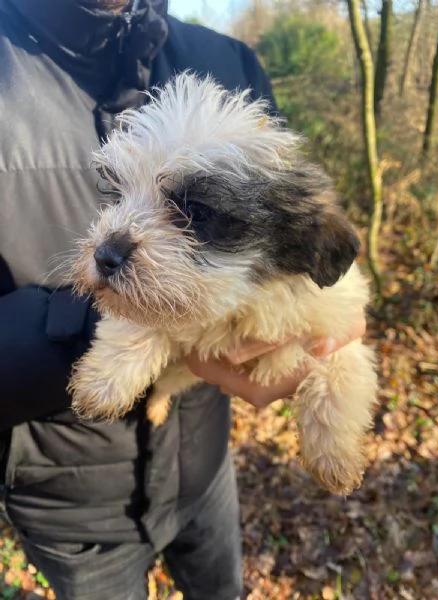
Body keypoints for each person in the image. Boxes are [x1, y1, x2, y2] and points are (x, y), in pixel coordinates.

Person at [0, 1, 365, 599]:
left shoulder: (228, 61)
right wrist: (92, 334)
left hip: (204, 473)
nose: (111, 240)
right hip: (67, 507)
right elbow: (140, 316)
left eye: (192, 214)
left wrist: (330, 376)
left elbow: (337, 304)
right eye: (118, 190)